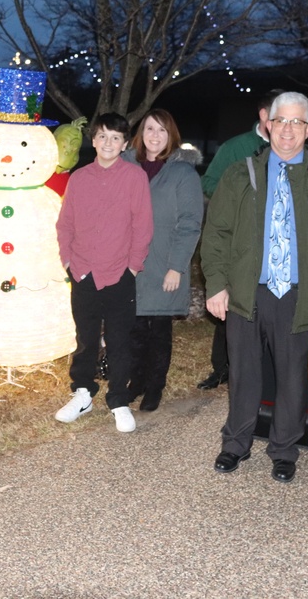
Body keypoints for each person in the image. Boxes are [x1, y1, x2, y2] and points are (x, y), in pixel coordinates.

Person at [201, 91, 308, 483]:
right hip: (245, 293)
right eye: (281, 121)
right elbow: (216, 234)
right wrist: (216, 284)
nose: (287, 130)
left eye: (296, 122)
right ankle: (235, 444)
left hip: (297, 294)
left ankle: (284, 450)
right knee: (243, 373)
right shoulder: (241, 175)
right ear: (267, 125)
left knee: (293, 377)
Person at [55, 112, 153, 432]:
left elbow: (142, 225)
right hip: (83, 272)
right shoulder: (79, 178)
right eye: (102, 136)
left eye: (115, 137)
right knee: (85, 339)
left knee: (119, 340)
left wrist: (133, 267)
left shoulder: (134, 177)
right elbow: (65, 223)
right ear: (93, 140)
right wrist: (68, 262)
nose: (108, 143)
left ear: (124, 143)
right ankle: (82, 392)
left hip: (119, 274)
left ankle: (119, 400)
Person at [197, 89, 282, 391]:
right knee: (231, 307)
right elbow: (208, 182)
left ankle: (266, 373)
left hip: (277, 245)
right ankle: (223, 369)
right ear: (263, 115)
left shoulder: (293, 147)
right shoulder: (236, 148)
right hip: (239, 241)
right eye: (280, 114)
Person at [121, 109, 203, 411]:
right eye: (150, 129)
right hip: (128, 263)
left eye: (162, 131)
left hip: (164, 263)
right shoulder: (126, 166)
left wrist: (177, 267)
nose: (155, 136)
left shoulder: (182, 173)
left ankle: (155, 386)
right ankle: (136, 382)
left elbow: (190, 223)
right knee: (133, 328)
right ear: (140, 133)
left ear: (171, 137)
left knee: (158, 330)